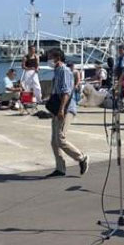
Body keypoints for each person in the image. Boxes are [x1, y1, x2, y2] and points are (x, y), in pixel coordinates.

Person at [47, 47, 89, 177]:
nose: (48, 60)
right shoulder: (57, 71)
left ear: (57, 58)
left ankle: (81, 158)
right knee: (54, 141)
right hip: (57, 109)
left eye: (50, 57)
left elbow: (66, 92)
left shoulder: (64, 71)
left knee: (60, 139)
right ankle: (60, 168)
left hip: (65, 109)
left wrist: (61, 110)